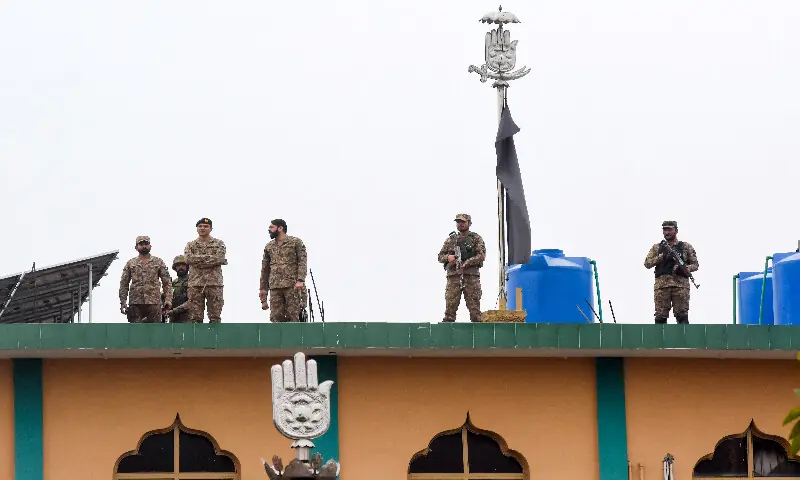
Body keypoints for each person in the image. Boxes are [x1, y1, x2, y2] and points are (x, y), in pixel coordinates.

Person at [644, 220, 699, 324]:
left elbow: (695, 265)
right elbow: (647, 263)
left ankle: (683, 340)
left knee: (682, 317)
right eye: (664, 230)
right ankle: (659, 340)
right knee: (660, 318)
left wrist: (686, 268)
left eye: (669, 229)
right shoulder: (657, 247)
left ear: (676, 230)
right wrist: (662, 256)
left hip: (680, 287)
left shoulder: (686, 247)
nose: (667, 232)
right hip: (661, 287)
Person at [437, 214, 486, 323]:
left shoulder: (475, 238)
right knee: (450, 310)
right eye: (458, 222)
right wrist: (449, 258)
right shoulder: (451, 240)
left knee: (475, 312)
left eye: (463, 222)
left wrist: (466, 263)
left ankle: (478, 336)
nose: (460, 224)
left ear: (469, 223)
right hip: (454, 277)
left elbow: (481, 256)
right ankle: (447, 335)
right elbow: (440, 256)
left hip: (471, 277)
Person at [259, 218, 308, 323]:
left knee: (294, 317)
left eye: (272, 227)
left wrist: (300, 280)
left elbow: (302, 262)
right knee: (276, 318)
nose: (269, 229)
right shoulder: (269, 247)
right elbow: (265, 270)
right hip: (275, 287)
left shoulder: (295, 242)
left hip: (292, 286)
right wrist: (263, 289)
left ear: (280, 228)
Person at [119, 236, 172, 323]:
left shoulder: (158, 262)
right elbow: (124, 284)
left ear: (150, 246)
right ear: (136, 247)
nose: (144, 246)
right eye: (141, 244)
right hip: (135, 303)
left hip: (154, 302)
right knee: (136, 331)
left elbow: (167, 283)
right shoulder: (130, 263)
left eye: (146, 244)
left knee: (155, 331)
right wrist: (123, 301)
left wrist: (168, 299)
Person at [184, 218, 227, 323]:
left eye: (206, 226)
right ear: (197, 228)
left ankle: (215, 339)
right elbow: (188, 259)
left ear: (211, 228)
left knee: (215, 317)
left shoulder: (218, 243)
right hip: (195, 284)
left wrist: (198, 261)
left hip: (214, 284)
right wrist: (210, 260)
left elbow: (219, 258)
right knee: (195, 318)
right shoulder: (190, 245)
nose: (202, 228)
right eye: (200, 226)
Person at [164, 255, 191, 323]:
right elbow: (164, 297)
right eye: (178, 265)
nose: (180, 267)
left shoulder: (192, 281)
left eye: (183, 265)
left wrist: (174, 311)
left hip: (188, 318)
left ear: (187, 267)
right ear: (175, 268)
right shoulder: (173, 283)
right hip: (174, 318)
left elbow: (192, 301)